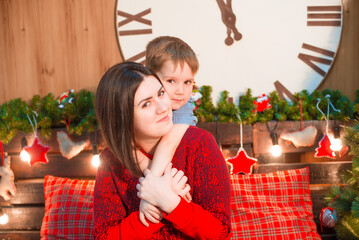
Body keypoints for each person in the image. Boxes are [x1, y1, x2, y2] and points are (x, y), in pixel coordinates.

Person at [93, 62, 231, 239]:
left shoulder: (200, 144)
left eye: (161, 93)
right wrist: (154, 211)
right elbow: (105, 237)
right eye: (146, 104)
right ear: (122, 118)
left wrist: (170, 201)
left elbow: (219, 233)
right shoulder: (111, 161)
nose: (163, 107)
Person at [137, 36, 199, 226]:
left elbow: (168, 144)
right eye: (171, 81)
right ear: (151, 77)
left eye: (188, 82)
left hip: (184, 177)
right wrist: (159, 188)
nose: (181, 91)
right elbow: (127, 149)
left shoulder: (183, 108)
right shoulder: (138, 106)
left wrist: (149, 195)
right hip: (167, 179)